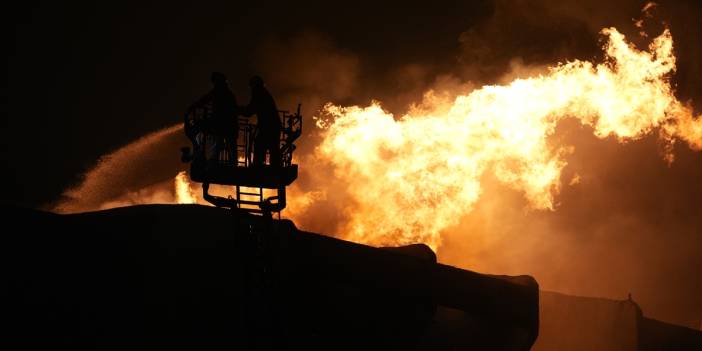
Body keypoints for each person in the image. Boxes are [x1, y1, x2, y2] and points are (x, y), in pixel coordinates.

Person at [187, 72, 238, 166]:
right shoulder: (229, 94)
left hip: (224, 124)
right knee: (225, 144)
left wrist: (193, 106)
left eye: (215, 82)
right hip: (229, 125)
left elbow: (205, 99)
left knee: (221, 142)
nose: (214, 84)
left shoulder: (219, 91)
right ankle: (230, 164)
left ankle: (207, 158)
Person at [240, 75, 282, 167]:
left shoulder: (258, 93)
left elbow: (250, 110)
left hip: (269, 126)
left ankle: (258, 167)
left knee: (260, 145)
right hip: (272, 126)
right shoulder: (264, 93)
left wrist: (237, 109)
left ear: (254, 85)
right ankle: (274, 168)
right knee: (272, 147)